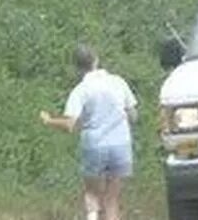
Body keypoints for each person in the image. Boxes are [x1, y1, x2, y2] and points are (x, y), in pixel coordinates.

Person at [40, 45, 138, 220]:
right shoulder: (118, 81)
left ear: (77, 67)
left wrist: (49, 121)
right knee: (112, 200)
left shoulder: (81, 90)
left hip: (95, 145)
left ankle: (92, 216)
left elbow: (70, 125)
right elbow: (133, 115)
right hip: (120, 145)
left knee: (92, 194)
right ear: (96, 60)